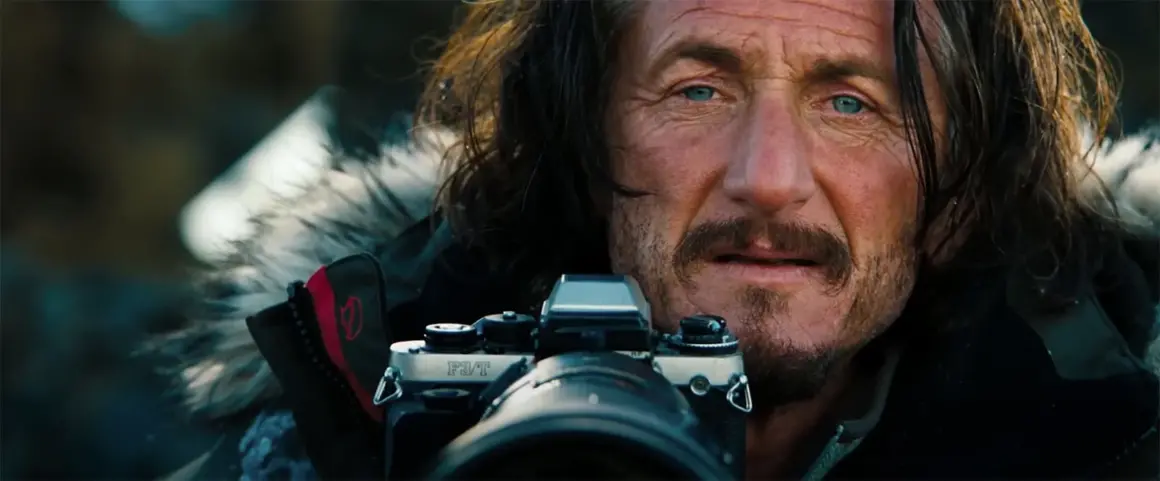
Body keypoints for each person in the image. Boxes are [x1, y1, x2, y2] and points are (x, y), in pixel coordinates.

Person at [155, 0, 1160, 479]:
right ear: (583, 139)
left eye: (850, 102)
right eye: (698, 90)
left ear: (961, 182)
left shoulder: (1119, 426)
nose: (767, 175)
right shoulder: (342, 427)